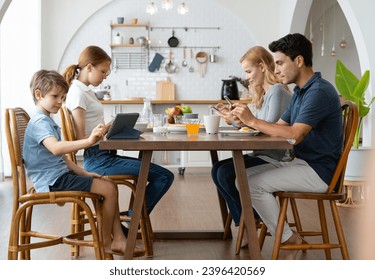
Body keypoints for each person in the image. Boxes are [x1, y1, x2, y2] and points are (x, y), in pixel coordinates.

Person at [230, 33, 343, 259]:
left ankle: (288, 238)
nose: (277, 69)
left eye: (280, 63)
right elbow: (278, 127)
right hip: (302, 164)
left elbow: (294, 135)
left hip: (319, 172)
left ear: (298, 61)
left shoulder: (319, 91)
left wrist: (253, 121)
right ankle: (285, 236)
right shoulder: (302, 92)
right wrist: (245, 121)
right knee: (239, 178)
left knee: (251, 184)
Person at [23, 70, 137, 256]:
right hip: (53, 181)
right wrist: (89, 141)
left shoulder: (46, 120)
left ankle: (117, 238)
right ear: (38, 94)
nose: (60, 101)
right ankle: (107, 242)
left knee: (109, 185)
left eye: (63, 97)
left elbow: (62, 159)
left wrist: (84, 173)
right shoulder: (39, 122)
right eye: (55, 96)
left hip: (58, 176)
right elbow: (56, 149)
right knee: (109, 188)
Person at [62, 46, 174, 234]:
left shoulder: (85, 91)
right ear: (89, 67)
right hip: (97, 159)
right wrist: (102, 131)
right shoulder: (78, 93)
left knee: (157, 173)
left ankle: (131, 221)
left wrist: (107, 127)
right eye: (103, 71)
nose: (105, 76)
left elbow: (91, 131)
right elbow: (78, 138)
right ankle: (131, 223)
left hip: (104, 154)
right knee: (164, 176)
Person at [211, 46, 291, 227]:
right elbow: (255, 126)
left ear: (262, 66)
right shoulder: (266, 95)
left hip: (277, 157)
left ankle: (249, 222)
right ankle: (250, 220)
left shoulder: (277, 91)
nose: (247, 77)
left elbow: (266, 129)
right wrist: (233, 119)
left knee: (224, 173)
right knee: (217, 169)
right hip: (264, 154)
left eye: (249, 71)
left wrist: (243, 121)